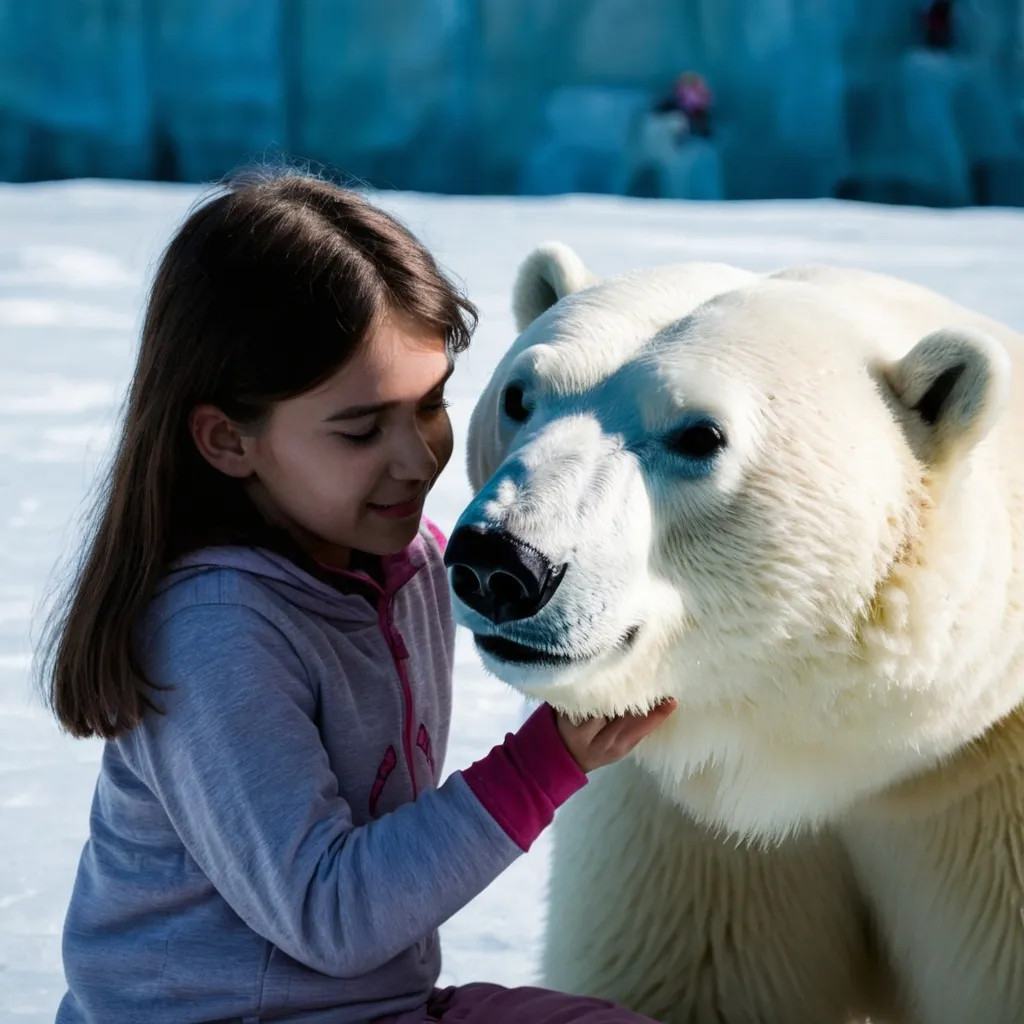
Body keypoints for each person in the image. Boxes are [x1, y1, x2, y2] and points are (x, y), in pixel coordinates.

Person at [40, 169, 676, 1024]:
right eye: (361, 428)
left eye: (432, 405)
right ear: (228, 439)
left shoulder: (404, 565)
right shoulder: (215, 634)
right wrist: (544, 764)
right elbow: (331, 915)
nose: (417, 459)